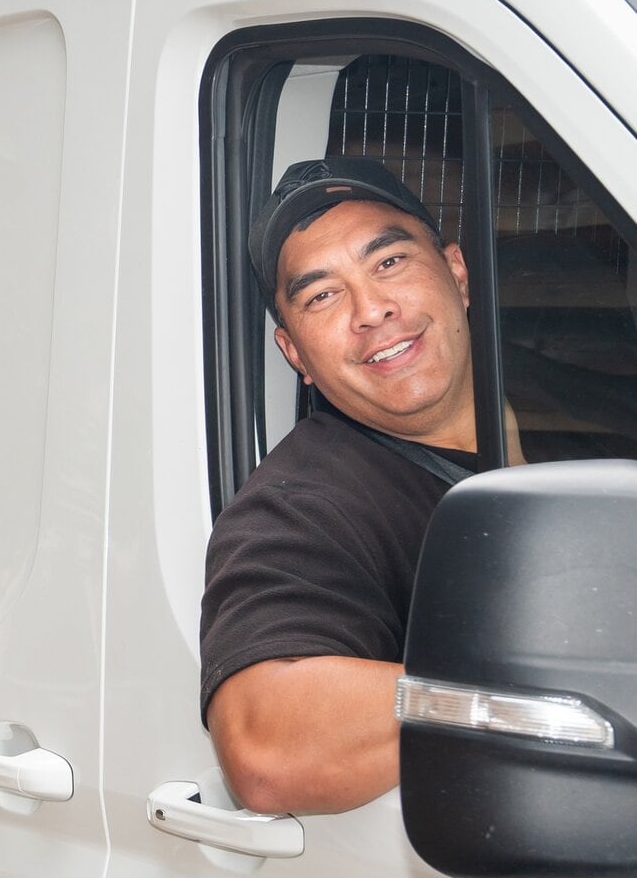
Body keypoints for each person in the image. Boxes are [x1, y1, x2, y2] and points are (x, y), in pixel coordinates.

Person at [200, 156, 516, 818]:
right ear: (295, 355)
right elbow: (266, 747)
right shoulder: (302, 506)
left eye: (389, 262)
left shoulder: (560, 412)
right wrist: (527, 695)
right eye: (321, 295)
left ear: (456, 272)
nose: (371, 310)